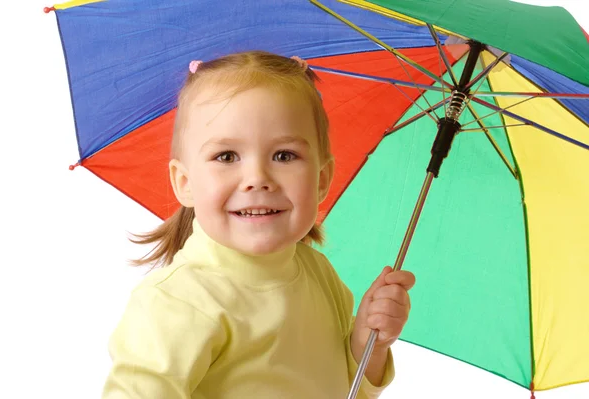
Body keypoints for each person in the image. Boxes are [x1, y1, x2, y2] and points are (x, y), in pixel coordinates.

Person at [102, 51, 415, 399]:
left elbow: (347, 390)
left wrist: (369, 343)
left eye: (284, 156)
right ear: (185, 182)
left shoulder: (319, 275)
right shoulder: (179, 301)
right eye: (226, 156)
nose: (257, 179)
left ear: (322, 178)